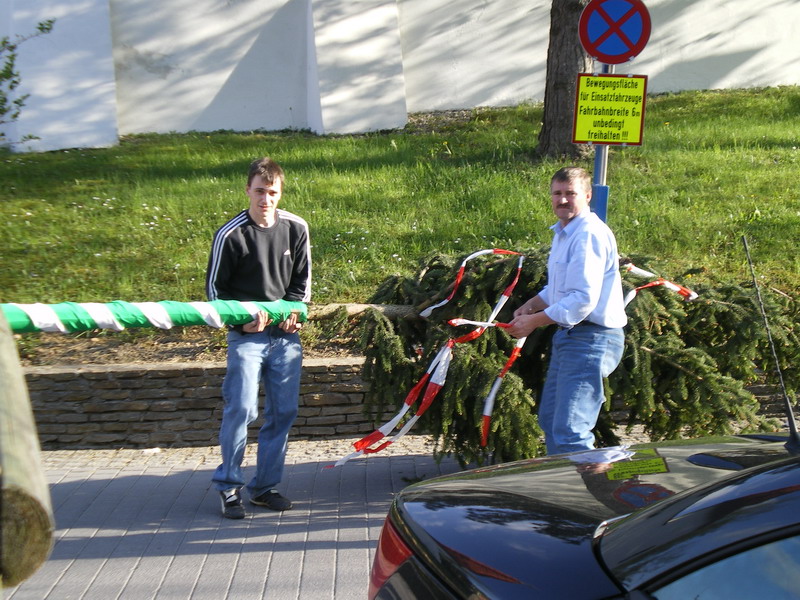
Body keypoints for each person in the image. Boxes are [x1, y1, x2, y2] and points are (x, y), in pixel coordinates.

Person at [206, 156, 311, 519]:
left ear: (280, 193)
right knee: (242, 409)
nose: (266, 199)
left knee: (284, 411)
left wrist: (294, 313)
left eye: (272, 192)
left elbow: (302, 283)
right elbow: (215, 294)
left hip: (285, 338)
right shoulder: (230, 234)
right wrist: (241, 323)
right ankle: (228, 487)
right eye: (260, 191)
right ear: (248, 191)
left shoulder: (296, 228)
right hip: (246, 337)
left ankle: (264, 488)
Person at [506, 166, 626, 455]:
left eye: (570, 194)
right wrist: (530, 305)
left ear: (587, 196)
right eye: (557, 193)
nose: (562, 200)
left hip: (592, 338)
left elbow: (582, 299)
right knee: (551, 421)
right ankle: (563, 479)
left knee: (571, 431)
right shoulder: (564, 233)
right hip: (570, 337)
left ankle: (588, 484)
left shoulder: (589, 234)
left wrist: (533, 322)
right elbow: (561, 290)